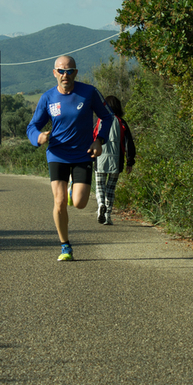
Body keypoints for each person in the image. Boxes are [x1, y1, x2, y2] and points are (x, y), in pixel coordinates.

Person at [26, 55, 114, 262]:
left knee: (81, 203)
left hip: (83, 153)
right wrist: (37, 138)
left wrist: (99, 140)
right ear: (54, 73)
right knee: (59, 202)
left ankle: (72, 188)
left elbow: (107, 117)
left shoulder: (89, 93)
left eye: (70, 71)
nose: (65, 75)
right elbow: (32, 126)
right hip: (57, 153)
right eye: (61, 71)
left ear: (75, 72)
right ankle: (65, 246)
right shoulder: (47, 98)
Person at [94, 95, 136, 226]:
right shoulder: (122, 123)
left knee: (100, 186)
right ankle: (107, 216)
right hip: (116, 160)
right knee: (110, 189)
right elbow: (129, 143)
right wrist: (130, 161)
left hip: (100, 158)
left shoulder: (98, 121)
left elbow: (91, 137)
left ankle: (101, 204)